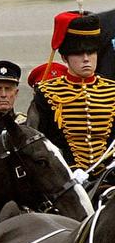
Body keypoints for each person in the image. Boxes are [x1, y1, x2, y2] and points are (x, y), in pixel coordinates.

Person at [30, 11, 115, 176]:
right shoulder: (47, 93)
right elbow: (40, 142)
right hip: (64, 178)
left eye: (91, 53)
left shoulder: (112, 90)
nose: (86, 59)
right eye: (78, 54)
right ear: (64, 57)